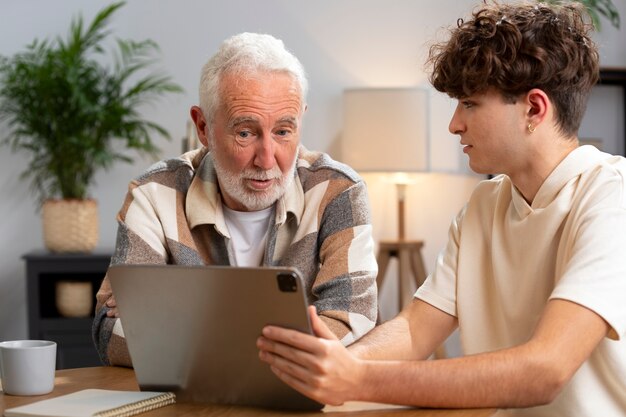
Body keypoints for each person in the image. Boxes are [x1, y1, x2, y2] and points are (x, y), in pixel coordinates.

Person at [257, 2, 626, 416]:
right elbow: (416, 329)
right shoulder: (484, 206)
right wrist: (332, 363)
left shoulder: (612, 197)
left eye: (469, 103)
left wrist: (358, 378)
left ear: (534, 109)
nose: (454, 124)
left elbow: (545, 369)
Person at [92, 32, 378, 367]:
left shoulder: (338, 191)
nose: (267, 159)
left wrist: (176, 318)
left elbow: (351, 320)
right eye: (245, 133)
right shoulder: (155, 193)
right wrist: (281, 344)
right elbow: (112, 332)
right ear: (203, 127)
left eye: (284, 131)